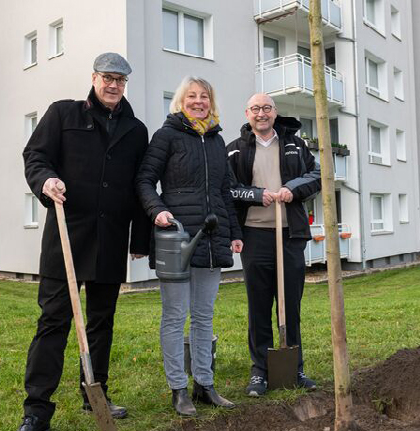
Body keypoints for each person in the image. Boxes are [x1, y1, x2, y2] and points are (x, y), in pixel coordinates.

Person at [18, 52, 151, 431]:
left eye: (120, 80)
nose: (113, 85)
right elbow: (35, 155)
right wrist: (45, 180)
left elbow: (141, 184)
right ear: (94, 78)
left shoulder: (136, 129)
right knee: (53, 321)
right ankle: (37, 409)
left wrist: (139, 237)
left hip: (110, 239)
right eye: (107, 78)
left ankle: (95, 395)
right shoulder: (63, 114)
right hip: (66, 236)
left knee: (101, 323)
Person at [136, 76, 242, 417]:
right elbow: (144, 180)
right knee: (175, 316)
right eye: (192, 96)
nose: (199, 102)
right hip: (176, 238)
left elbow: (225, 192)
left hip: (211, 239)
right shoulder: (166, 136)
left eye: (204, 97)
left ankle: (205, 384)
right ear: (181, 101)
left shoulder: (217, 140)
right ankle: (178, 388)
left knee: (203, 317)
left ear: (211, 102)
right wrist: (157, 210)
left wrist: (235, 232)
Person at [226, 93, 321, 397]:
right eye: (255, 109)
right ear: (247, 113)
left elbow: (317, 175)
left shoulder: (294, 143)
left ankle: (295, 367)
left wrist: (292, 189)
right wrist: (255, 195)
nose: (261, 113)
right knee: (258, 306)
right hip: (255, 235)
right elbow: (228, 189)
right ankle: (260, 371)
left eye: (267, 108)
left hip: (289, 234)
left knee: (290, 305)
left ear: (275, 112)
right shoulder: (235, 150)